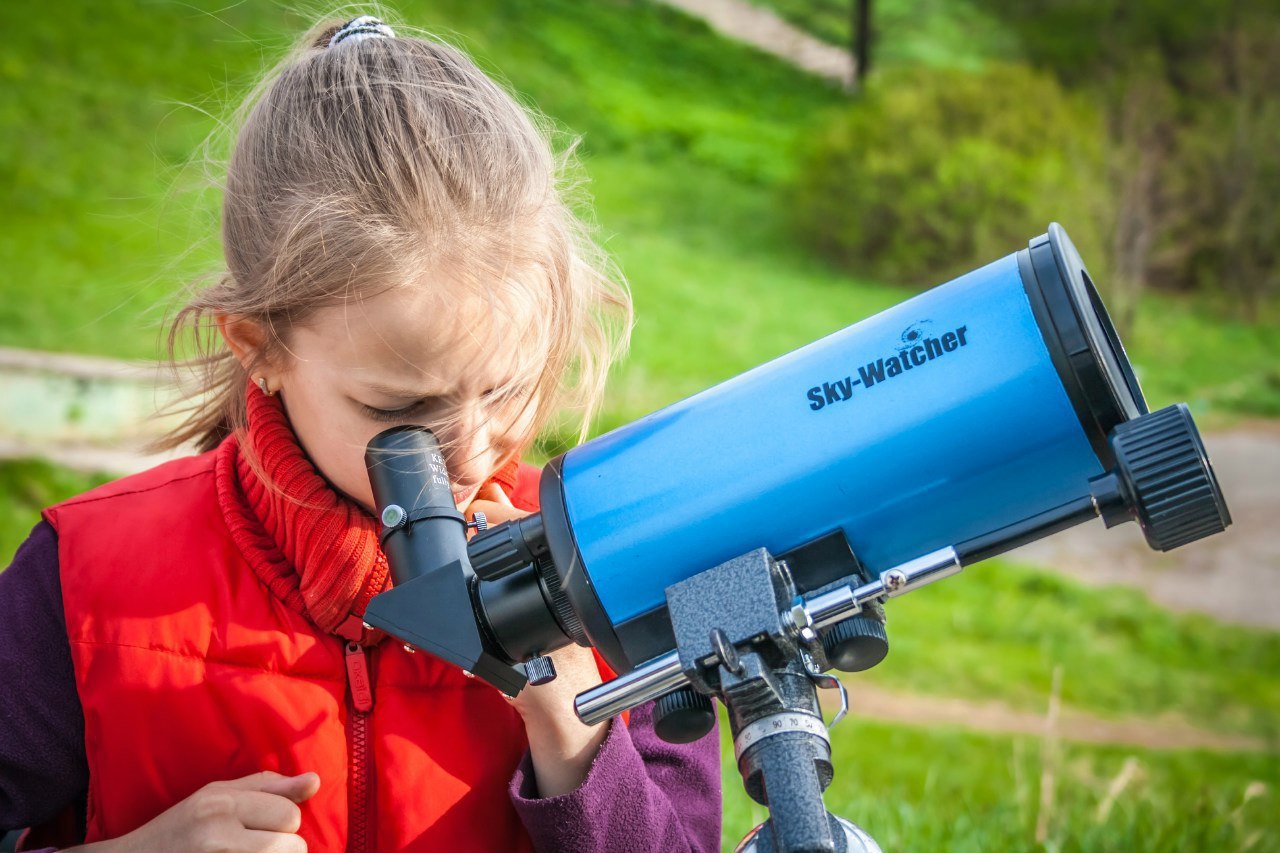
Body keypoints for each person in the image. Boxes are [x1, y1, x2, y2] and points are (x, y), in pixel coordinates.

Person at [0, 14, 721, 853]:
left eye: (508, 387)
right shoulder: (89, 578)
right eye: (401, 415)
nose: (473, 447)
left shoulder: (617, 568)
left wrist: (575, 729)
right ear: (259, 346)